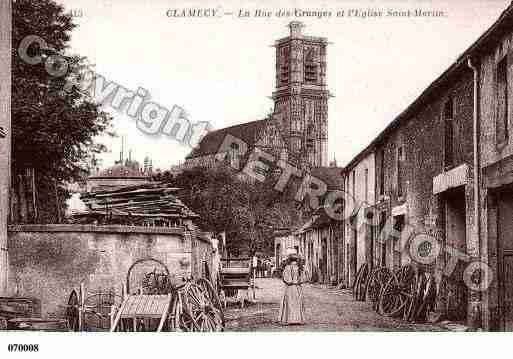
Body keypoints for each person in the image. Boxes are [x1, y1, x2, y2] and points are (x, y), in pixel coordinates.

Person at [278, 250, 306, 325]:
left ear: (289, 260)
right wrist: (297, 282)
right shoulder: (300, 268)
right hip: (297, 287)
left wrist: (288, 282)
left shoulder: (287, 268)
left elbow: (286, 279)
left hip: (290, 288)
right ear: (296, 260)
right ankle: (298, 319)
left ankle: (289, 319)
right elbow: (303, 279)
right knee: (297, 303)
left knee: (289, 303)